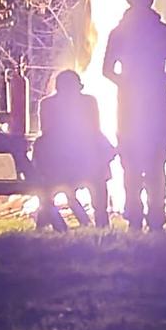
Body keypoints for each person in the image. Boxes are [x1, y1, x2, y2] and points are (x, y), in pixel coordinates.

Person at [102, 0, 166, 231]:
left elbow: (107, 69)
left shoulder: (119, 32)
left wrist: (125, 83)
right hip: (157, 104)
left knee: (130, 163)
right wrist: (159, 81)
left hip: (128, 105)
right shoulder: (163, 31)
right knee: (155, 163)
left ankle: (135, 216)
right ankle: (156, 216)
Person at [32, 69, 115, 231]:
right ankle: (100, 221)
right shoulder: (52, 104)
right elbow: (94, 130)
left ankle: (99, 220)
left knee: (99, 154)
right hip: (74, 164)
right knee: (99, 162)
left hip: (69, 163)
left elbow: (93, 130)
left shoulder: (86, 102)